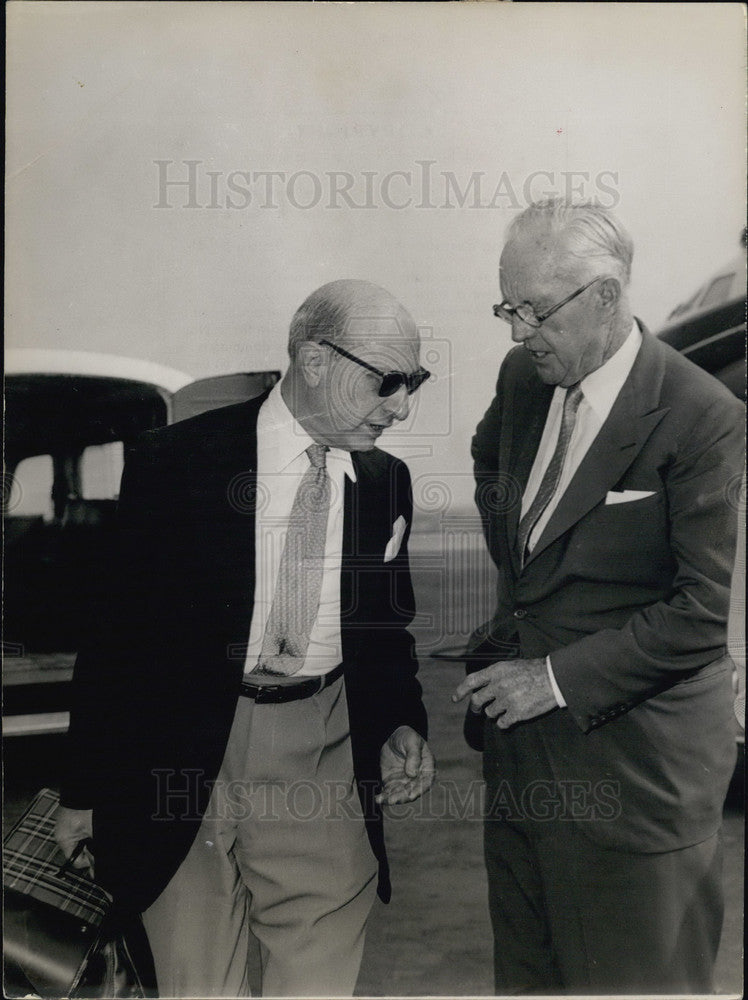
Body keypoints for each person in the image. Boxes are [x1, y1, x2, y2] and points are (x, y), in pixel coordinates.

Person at [55, 279, 436, 998]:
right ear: (315, 359)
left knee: (318, 974)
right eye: (386, 381)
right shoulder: (177, 462)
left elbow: (385, 632)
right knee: (196, 980)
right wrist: (83, 792)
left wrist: (398, 722)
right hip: (188, 756)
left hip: (321, 751)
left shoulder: (387, 482)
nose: (402, 406)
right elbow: (115, 642)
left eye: (413, 383)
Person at [453, 198, 744, 994]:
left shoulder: (704, 419)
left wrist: (549, 675)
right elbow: (491, 468)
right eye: (507, 307)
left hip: (637, 788)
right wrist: (527, 596)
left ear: (607, 297)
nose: (517, 333)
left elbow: (703, 612)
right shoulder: (526, 378)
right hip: (521, 769)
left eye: (535, 312)